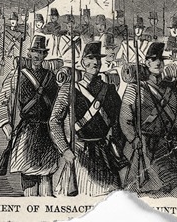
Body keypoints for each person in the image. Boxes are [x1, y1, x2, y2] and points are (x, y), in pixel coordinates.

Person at [49, 40, 125, 196]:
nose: (95, 62)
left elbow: (118, 121)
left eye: (97, 58)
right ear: (83, 62)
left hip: (103, 153)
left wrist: (116, 146)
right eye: (90, 58)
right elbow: (54, 121)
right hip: (79, 153)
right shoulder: (69, 89)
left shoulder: (109, 90)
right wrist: (64, 149)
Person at [0, 34, 60, 196]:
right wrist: (6, 125)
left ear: (45, 55)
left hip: (47, 132)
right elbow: (3, 100)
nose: (37, 55)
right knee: (29, 177)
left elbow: (60, 105)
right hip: (26, 131)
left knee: (46, 178)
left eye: (40, 52)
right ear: (29, 54)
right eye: (34, 51)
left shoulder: (52, 77)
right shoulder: (17, 75)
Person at [120, 41, 177, 194]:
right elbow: (125, 118)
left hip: (166, 144)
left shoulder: (170, 89)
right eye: (153, 59)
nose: (157, 63)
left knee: (173, 184)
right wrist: (133, 138)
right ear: (146, 62)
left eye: (160, 60)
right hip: (143, 144)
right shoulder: (134, 88)